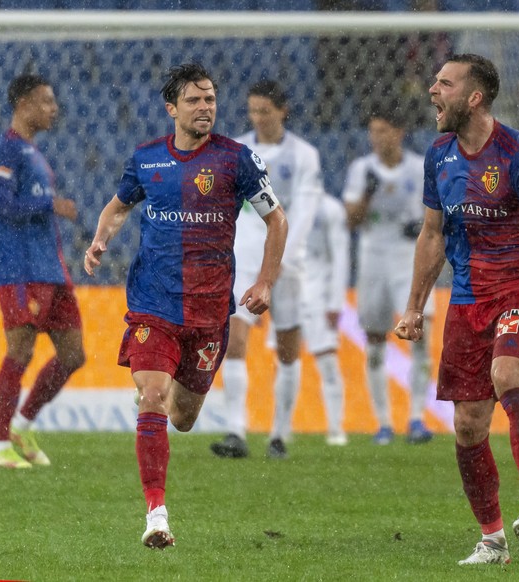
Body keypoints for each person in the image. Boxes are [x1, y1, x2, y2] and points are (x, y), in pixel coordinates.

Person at [395, 54, 519, 566]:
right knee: (467, 426)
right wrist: (414, 307)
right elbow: (433, 235)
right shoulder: (438, 156)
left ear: (474, 97)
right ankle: (492, 539)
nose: (433, 90)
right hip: (466, 299)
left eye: (445, 83)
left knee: (509, 374)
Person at [83, 63, 287, 549]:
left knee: (184, 417)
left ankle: (158, 405)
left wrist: (265, 281)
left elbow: (276, 220)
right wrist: (98, 240)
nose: (205, 108)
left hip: (210, 312)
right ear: (171, 108)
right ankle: (157, 515)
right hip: (153, 304)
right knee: (153, 397)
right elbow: (118, 207)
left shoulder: (237, 159)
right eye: (194, 100)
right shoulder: (147, 158)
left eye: (211, 99)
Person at [209, 80, 322, 461]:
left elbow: (303, 213)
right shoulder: (238, 151)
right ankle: (236, 430)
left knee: (288, 348)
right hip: (242, 254)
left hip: (287, 260)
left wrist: (285, 257)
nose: (258, 118)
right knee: (235, 339)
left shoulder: (304, 155)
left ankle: (279, 434)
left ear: (282, 110)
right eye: (253, 110)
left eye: (265, 111)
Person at [0, 73, 86, 470]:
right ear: (24, 104)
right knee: (20, 351)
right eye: (46, 101)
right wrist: (51, 206)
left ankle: (22, 426)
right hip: (20, 269)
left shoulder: (33, 152)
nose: (54, 108)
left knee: (73, 353)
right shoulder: (7, 149)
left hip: (51, 269)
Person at [343, 108, 435, 446]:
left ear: (399, 132)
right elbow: (350, 221)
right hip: (373, 257)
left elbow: (435, 216)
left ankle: (416, 418)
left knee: (420, 335)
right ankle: (383, 422)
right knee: (376, 339)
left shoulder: (418, 167)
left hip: (408, 256)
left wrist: (422, 225)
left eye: (384, 130)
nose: (378, 138)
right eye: (373, 131)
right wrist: (367, 195)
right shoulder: (361, 169)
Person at [302, 192, 351, 445]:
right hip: (287, 289)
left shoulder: (329, 208)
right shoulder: (281, 202)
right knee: (284, 363)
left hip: (320, 292)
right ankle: (280, 431)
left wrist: (335, 301)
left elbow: (340, 256)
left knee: (327, 361)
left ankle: (335, 427)